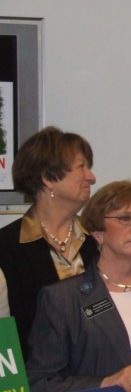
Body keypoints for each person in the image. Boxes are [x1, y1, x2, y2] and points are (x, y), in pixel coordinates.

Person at [27, 180, 131, 392]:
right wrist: (105, 383)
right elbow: (39, 385)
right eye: (125, 218)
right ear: (98, 233)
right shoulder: (63, 299)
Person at [0, 126, 98, 357]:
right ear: (47, 178)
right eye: (81, 167)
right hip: (31, 375)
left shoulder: (97, 242)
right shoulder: (6, 248)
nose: (91, 177)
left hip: (101, 374)